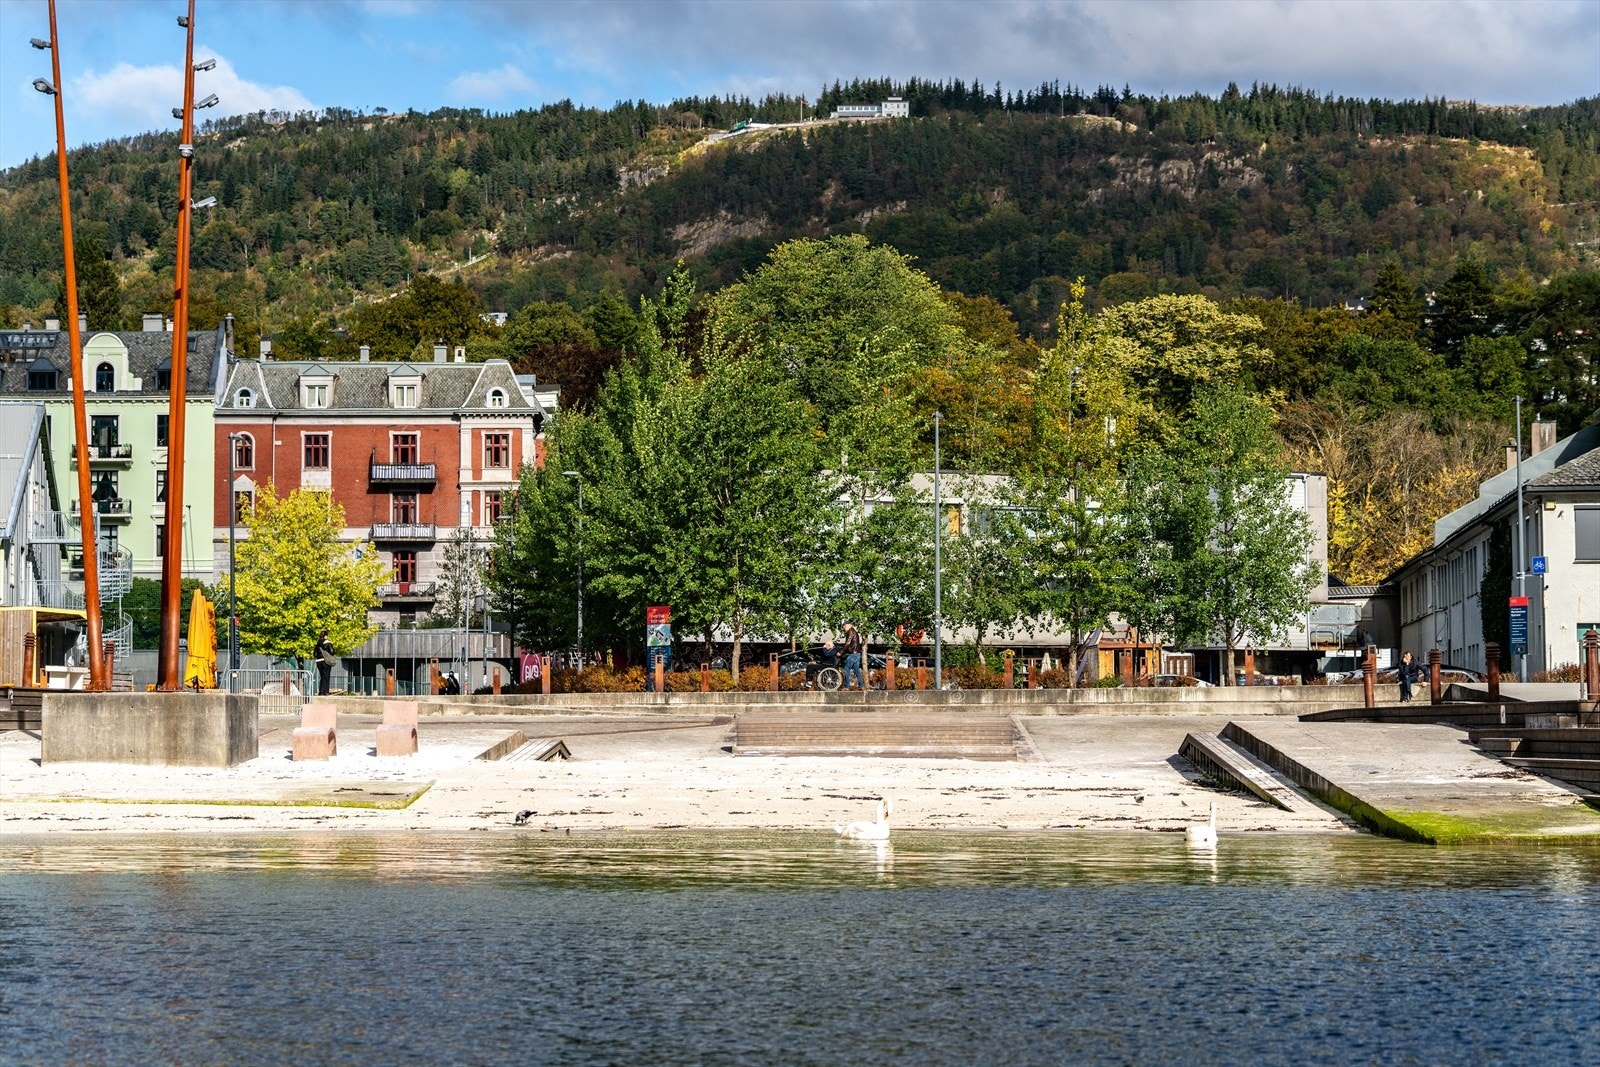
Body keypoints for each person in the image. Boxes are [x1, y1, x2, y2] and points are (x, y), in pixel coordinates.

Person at [314, 630, 336, 695]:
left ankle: (321, 691)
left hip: (318, 662)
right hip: (325, 661)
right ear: (325, 636)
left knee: (322, 676)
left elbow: (314, 654)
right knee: (326, 676)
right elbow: (332, 652)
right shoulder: (328, 643)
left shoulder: (317, 644)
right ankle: (325, 691)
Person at [842, 623, 864, 690]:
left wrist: (841, 652)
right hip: (857, 654)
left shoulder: (850, 631)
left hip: (853, 654)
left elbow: (847, 643)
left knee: (846, 668)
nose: (843, 628)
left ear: (847, 625)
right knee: (857, 671)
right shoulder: (854, 631)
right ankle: (861, 686)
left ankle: (846, 686)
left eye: (844, 626)